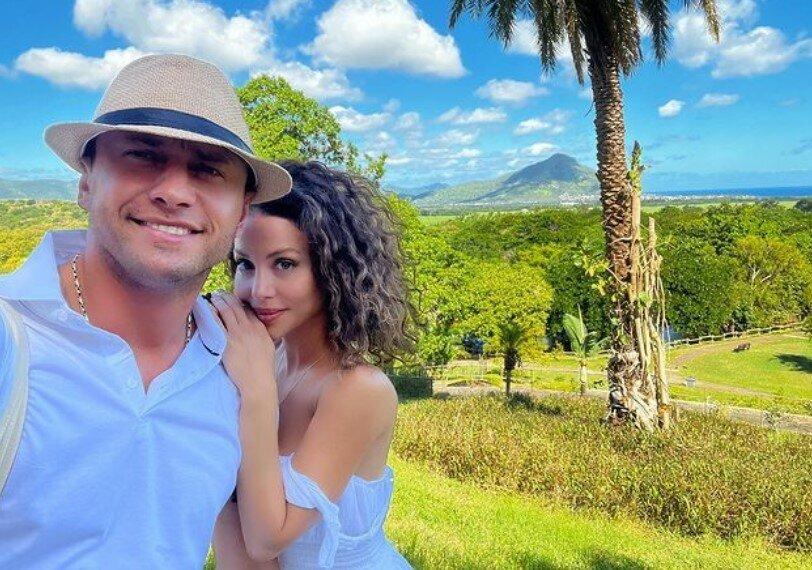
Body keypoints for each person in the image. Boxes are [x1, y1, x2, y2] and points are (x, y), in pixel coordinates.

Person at [0, 54, 291, 568]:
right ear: (86, 181)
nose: (174, 193)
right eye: (141, 155)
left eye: (208, 169)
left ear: (242, 210)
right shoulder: (12, 339)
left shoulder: (235, 366)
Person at [210, 161, 413, 569]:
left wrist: (256, 392)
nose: (259, 290)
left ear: (332, 270)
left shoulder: (358, 389)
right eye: (246, 264)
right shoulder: (267, 360)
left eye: (284, 263)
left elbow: (267, 540)